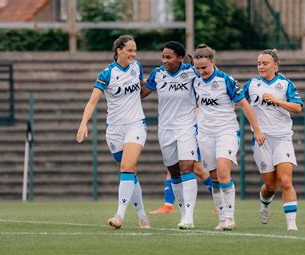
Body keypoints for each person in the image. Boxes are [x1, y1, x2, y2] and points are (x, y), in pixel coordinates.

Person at [76, 35, 150, 230]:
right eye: (130, 50)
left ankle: (119, 215)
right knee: (130, 172)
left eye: (135, 50)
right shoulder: (107, 73)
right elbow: (92, 101)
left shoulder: (137, 67)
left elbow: (142, 89)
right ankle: (143, 217)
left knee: (127, 167)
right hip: (114, 130)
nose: (133, 54)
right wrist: (84, 123)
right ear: (118, 50)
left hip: (136, 125)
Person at [192, 44, 265, 231]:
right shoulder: (195, 81)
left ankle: (231, 217)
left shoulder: (226, 80)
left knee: (224, 172)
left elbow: (245, 105)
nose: (201, 71)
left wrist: (256, 130)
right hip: (205, 134)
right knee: (214, 177)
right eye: (197, 68)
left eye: (204, 68)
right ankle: (222, 218)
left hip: (227, 131)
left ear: (212, 63)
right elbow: (196, 106)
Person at [141, 41, 203, 229]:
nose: (165, 60)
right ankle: (183, 212)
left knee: (187, 168)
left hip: (187, 127)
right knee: (174, 172)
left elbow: (208, 80)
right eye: (163, 57)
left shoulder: (192, 73)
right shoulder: (158, 74)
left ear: (179, 57)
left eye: (168, 57)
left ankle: (189, 217)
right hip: (165, 129)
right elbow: (141, 93)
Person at [243, 49, 303, 231]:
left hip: (282, 138)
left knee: (285, 181)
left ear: (275, 65)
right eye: (259, 63)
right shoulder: (252, 85)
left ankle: (291, 225)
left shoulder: (285, 84)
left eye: (265, 63)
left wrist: (277, 101)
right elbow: (238, 102)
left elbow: (298, 107)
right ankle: (264, 206)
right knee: (271, 185)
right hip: (262, 140)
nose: (261, 66)